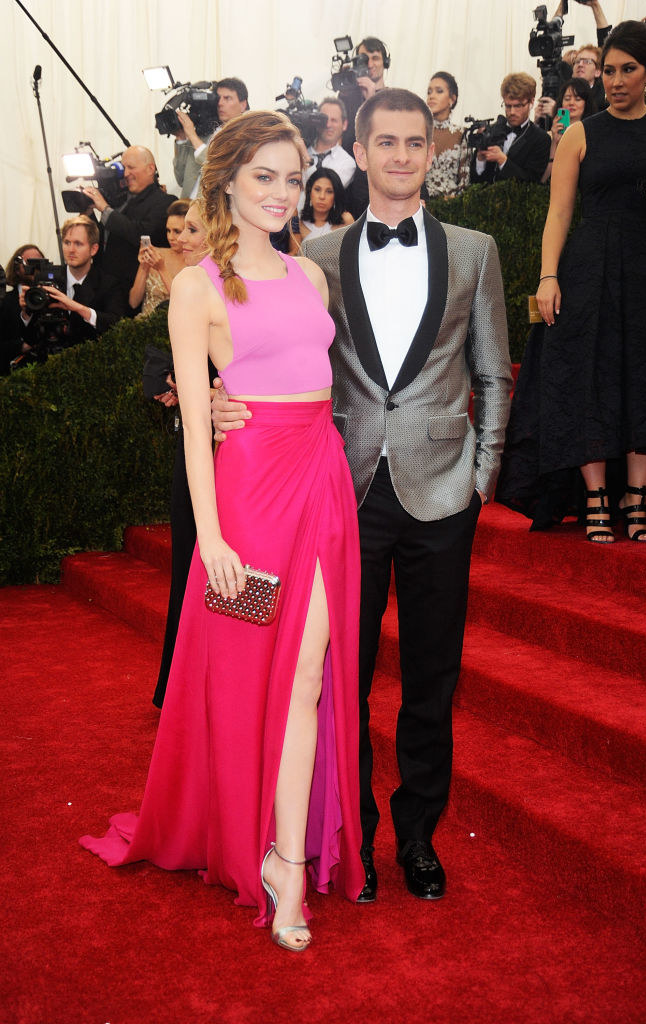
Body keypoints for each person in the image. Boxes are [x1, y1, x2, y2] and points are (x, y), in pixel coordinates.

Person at [212, 89, 512, 903]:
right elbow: (267, 349)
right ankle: (354, 842)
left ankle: (417, 835)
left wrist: (479, 481)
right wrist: (215, 396)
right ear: (362, 149)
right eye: (387, 141)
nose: (402, 156)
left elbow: (492, 371)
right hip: (336, 492)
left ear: (429, 149)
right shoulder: (318, 256)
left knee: (430, 677)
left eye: (416, 142)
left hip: (443, 495)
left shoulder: (477, 251)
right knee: (338, 674)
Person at [80, 111, 365, 952]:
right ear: (228, 180)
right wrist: (210, 537)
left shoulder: (310, 275)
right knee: (250, 677)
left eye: (293, 176)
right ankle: (253, 839)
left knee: (310, 676)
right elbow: (197, 422)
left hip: (320, 483)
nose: (281, 193)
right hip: (246, 497)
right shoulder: (197, 285)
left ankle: (283, 856)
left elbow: (316, 383)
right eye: (264, 177)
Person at [496, 21, 646, 543]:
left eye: (628, 70)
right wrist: (547, 276)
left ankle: (636, 499)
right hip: (591, 266)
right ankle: (596, 495)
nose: (617, 80)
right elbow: (558, 216)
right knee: (590, 377)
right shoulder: (581, 132)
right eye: (608, 70)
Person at [151, 202, 213, 710]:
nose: (182, 239)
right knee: (188, 567)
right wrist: (174, 382)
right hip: (192, 447)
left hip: (235, 452)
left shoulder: (230, 291)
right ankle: (181, 685)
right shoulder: (186, 288)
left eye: (193, 229)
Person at [84, 146, 176, 307]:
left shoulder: (165, 202)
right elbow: (104, 239)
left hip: (133, 290)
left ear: (150, 169)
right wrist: (89, 213)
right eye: (124, 167)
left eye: (131, 167)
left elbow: (142, 234)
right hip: (105, 286)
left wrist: (106, 210)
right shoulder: (120, 201)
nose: (126, 174)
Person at [38, 216, 127, 345]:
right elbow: (30, 335)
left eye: (78, 244)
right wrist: (26, 314)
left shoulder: (108, 284)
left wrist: (78, 308)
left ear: (94, 249)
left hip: (90, 358)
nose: (71, 250)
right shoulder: (46, 278)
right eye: (67, 242)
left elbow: (116, 324)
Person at [174, 77, 249, 199]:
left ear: (243, 105)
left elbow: (220, 170)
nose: (220, 103)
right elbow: (181, 179)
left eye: (227, 98)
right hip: (186, 208)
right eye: (218, 98)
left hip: (212, 212)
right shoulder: (205, 135)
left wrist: (192, 135)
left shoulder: (247, 137)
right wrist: (181, 138)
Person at [471, 73, 551, 184]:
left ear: (531, 102)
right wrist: (480, 160)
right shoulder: (491, 131)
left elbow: (532, 183)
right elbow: (474, 181)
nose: (512, 112)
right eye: (508, 106)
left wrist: (502, 160)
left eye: (518, 106)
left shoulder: (541, 139)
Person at [129, 199, 190, 315]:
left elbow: (186, 305)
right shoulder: (155, 254)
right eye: (168, 230)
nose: (170, 237)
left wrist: (161, 269)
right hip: (144, 326)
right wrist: (143, 267)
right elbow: (133, 302)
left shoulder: (196, 263)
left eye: (177, 231)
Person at [425, 71, 471, 199]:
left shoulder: (462, 134)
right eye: (429, 92)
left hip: (452, 209)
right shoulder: (420, 133)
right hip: (420, 206)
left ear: (452, 98)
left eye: (439, 91)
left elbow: (464, 182)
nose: (431, 96)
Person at [541, 77, 597, 182]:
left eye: (577, 99)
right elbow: (544, 180)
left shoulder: (592, 134)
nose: (571, 103)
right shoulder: (548, 136)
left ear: (586, 103)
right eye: (567, 98)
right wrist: (555, 143)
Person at [0, 243, 45, 372]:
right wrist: (20, 346)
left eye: (39, 262)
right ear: (17, 269)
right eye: (29, 262)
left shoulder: (55, 297)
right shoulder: (5, 301)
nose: (35, 267)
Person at [304, 97, 356, 192]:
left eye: (334, 120)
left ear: (344, 125)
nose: (328, 125)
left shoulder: (347, 163)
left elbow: (321, 191)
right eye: (324, 119)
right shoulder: (300, 152)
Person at [295, 168, 353, 243]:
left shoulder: (345, 220)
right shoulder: (299, 224)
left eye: (329, 191)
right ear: (309, 192)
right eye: (317, 189)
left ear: (336, 195)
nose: (322, 196)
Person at [573, 45, 608, 111]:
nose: (580, 65)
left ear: (597, 72)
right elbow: (564, 121)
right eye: (577, 61)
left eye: (587, 62)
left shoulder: (604, 102)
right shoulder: (563, 92)